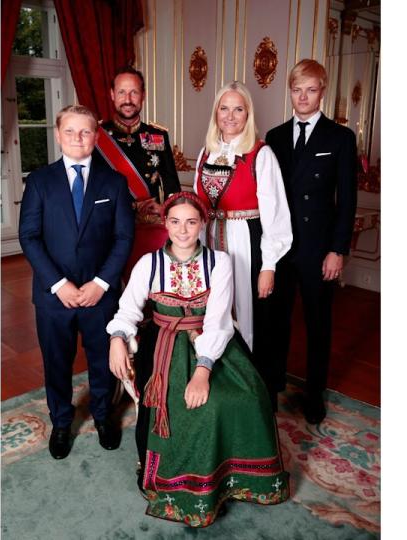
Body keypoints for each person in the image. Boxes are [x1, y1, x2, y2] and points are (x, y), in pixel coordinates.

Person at [107, 192, 289, 528]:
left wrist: (203, 372)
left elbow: (218, 321)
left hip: (210, 342)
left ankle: (230, 477)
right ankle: (173, 478)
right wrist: (117, 339)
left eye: (191, 222)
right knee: (181, 406)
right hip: (161, 344)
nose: (183, 230)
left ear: (202, 223)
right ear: (166, 223)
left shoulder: (218, 261)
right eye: (175, 221)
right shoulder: (149, 263)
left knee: (246, 396)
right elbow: (127, 310)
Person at [18, 104, 135, 459]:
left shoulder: (114, 182)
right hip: (54, 296)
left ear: (96, 137)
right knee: (57, 362)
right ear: (58, 135)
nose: (77, 138)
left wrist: (101, 283)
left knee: (102, 359)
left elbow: (123, 239)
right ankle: (61, 421)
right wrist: (58, 284)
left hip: (100, 294)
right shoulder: (39, 181)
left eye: (85, 132)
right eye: (69, 131)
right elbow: (29, 236)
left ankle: (102, 416)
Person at [264, 59, 358, 425]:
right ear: (290, 91)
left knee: (319, 324)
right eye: (296, 89)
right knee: (276, 322)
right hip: (281, 248)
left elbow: (346, 200)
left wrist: (338, 250)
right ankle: (271, 386)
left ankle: (314, 393)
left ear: (322, 91)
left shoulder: (340, 138)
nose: (303, 97)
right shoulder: (274, 137)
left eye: (311, 89)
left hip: (319, 249)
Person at [192, 81, 292, 407]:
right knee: (213, 315)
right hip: (210, 240)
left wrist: (268, 266)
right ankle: (216, 389)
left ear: (247, 113)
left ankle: (251, 398)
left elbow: (276, 215)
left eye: (238, 109)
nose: (230, 116)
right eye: (224, 108)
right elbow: (196, 204)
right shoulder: (205, 152)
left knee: (248, 319)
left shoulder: (260, 154)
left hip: (247, 241)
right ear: (215, 113)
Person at [94, 66, 182, 281]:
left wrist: (165, 209)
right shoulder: (97, 137)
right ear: (113, 95)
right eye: (122, 92)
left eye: (134, 92)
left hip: (150, 225)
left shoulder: (157, 135)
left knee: (154, 282)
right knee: (115, 285)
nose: (128, 99)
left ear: (143, 95)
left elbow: (172, 183)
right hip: (112, 226)